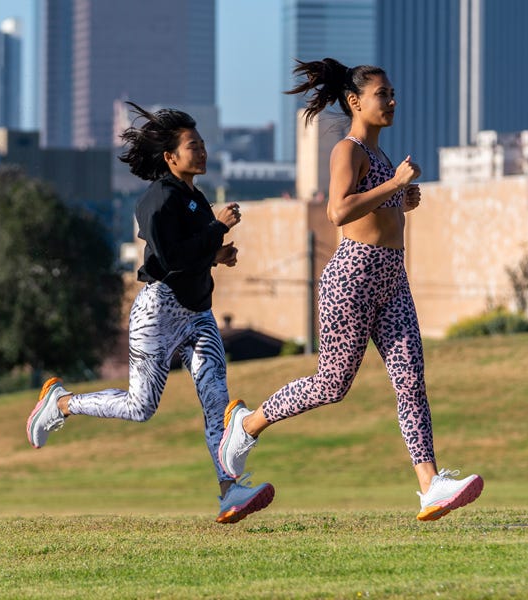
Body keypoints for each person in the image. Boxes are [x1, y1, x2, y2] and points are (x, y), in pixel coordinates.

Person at [216, 59, 483, 521]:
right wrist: (397, 185)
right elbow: (338, 212)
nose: (393, 101)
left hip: (392, 277)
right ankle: (248, 423)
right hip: (352, 277)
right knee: (332, 384)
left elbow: (376, 209)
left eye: (393, 92)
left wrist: (404, 200)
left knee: (411, 379)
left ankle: (430, 485)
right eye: (384, 94)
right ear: (356, 101)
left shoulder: (380, 156)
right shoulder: (349, 149)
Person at [25, 102, 274, 524]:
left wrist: (215, 255)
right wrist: (217, 229)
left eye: (202, 143)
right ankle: (62, 403)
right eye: (193, 145)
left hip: (197, 314)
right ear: (170, 157)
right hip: (158, 311)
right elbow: (169, 258)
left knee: (218, 404)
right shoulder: (157, 199)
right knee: (141, 408)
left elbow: (188, 253)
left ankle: (230, 491)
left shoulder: (193, 196)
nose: (203, 151)